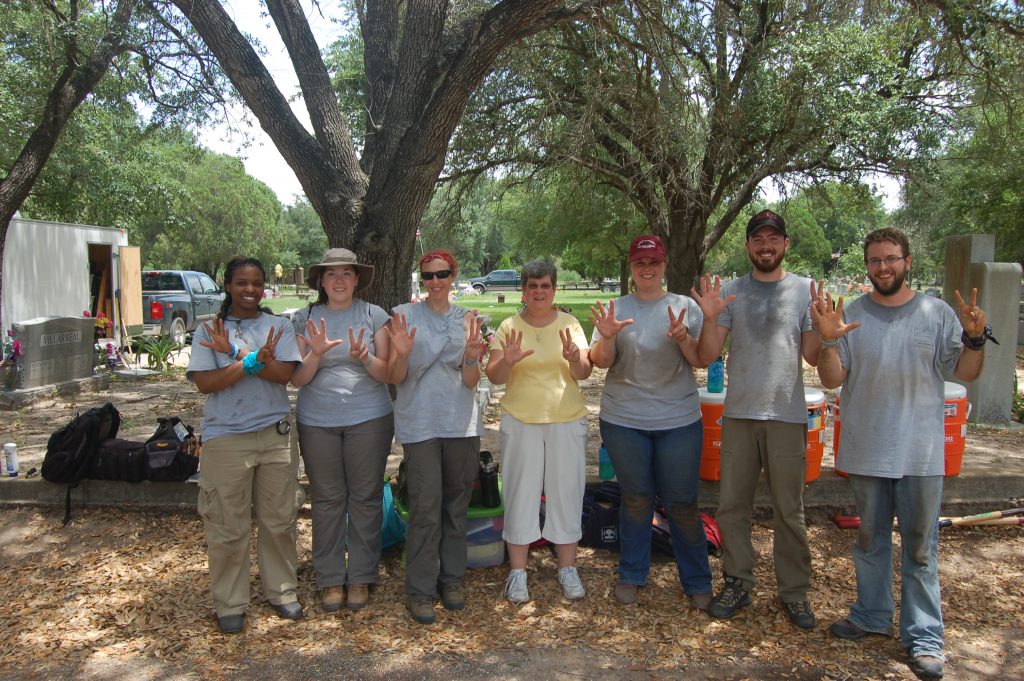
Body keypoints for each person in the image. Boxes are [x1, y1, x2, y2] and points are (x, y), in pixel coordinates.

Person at [812, 227, 987, 680]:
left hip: (920, 454)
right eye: (875, 260)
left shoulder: (936, 313)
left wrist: (975, 338)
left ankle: (924, 636)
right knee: (870, 541)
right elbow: (832, 379)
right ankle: (871, 615)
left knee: (922, 549)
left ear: (907, 261)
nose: (883, 267)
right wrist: (828, 341)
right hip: (867, 450)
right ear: (867, 266)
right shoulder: (852, 313)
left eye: (891, 258)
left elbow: (966, 372)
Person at [691, 209, 820, 629]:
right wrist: (710, 317)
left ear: (785, 245)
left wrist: (826, 330)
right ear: (748, 246)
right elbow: (708, 355)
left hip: (786, 417)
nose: (766, 246)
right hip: (740, 415)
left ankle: (795, 592)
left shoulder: (804, 291)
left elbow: (814, 356)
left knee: (789, 509)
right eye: (758, 239)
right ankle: (738, 581)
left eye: (773, 239)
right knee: (732, 508)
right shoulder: (731, 293)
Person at [589, 235, 713, 610]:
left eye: (654, 261)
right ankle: (631, 572)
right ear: (631, 266)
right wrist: (608, 337)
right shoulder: (615, 307)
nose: (647, 268)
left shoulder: (684, 307)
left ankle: (696, 579)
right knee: (637, 498)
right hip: (625, 419)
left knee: (682, 503)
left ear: (663, 263)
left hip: (678, 419)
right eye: (640, 261)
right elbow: (600, 361)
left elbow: (699, 360)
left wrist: (682, 338)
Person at [187, 256, 304, 635]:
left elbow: (283, 374)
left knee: (279, 520)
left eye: (256, 283)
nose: (249, 290)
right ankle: (230, 603)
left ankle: (283, 591)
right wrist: (255, 360)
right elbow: (207, 382)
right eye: (241, 283)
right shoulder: (210, 328)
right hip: (226, 439)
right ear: (228, 286)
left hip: (275, 436)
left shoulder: (279, 326)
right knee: (226, 526)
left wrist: (239, 357)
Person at [289, 248, 394, 612]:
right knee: (327, 500)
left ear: (356, 279)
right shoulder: (305, 319)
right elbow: (298, 378)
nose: (338, 280)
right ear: (320, 281)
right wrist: (315, 353)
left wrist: (364, 357)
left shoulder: (373, 315)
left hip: (369, 417)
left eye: (346, 273)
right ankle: (331, 579)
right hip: (317, 421)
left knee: (365, 498)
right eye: (330, 274)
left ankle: (362, 575)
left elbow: (387, 374)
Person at [386, 249, 486, 624]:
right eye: (428, 276)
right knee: (425, 507)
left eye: (442, 274)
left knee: (456, 506)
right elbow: (395, 377)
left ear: (454, 274)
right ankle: (421, 589)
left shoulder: (469, 319)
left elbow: (471, 382)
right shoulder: (404, 315)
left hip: (460, 423)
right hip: (421, 424)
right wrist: (401, 352)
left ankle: (452, 579)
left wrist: (473, 357)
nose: (435, 282)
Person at [485, 259, 593, 604]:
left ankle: (567, 568)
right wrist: (508, 360)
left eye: (545, 285)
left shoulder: (570, 324)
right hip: (521, 421)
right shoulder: (509, 327)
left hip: (565, 419)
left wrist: (575, 357)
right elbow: (494, 376)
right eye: (532, 286)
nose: (539, 291)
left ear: (554, 289)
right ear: (524, 291)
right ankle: (518, 573)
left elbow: (585, 372)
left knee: (567, 494)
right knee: (520, 495)